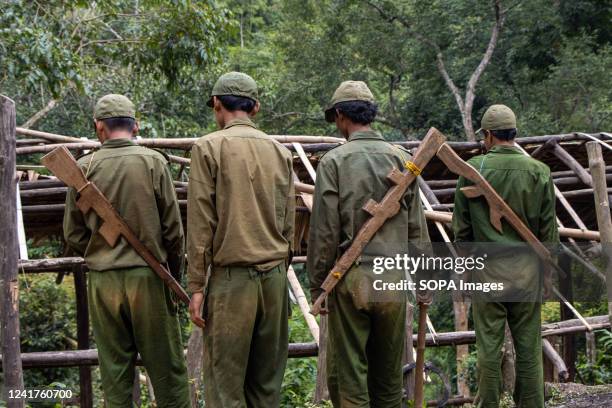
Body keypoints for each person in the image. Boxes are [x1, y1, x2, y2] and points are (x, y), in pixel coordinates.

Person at [307, 81, 430, 407]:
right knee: (389, 381)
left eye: (335, 118)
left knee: (350, 381)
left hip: (352, 279)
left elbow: (324, 233)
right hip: (392, 279)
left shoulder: (333, 162)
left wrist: (318, 287)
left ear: (341, 116)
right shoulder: (403, 159)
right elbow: (416, 229)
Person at [64, 94, 190, 407]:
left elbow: (72, 233)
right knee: (168, 373)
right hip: (148, 277)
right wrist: (175, 276)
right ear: (136, 126)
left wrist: (100, 251)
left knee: (115, 374)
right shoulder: (153, 162)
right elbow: (173, 231)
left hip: (103, 283)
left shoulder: (82, 169)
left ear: (99, 128)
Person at [187, 72, 295, 408]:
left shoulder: (208, 147)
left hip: (232, 283)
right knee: (266, 387)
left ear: (217, 105)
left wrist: (197, 286)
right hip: (275, 280)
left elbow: (201, 224)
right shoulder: (281, 152)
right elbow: (289, 223)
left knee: (225, 388)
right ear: (256, 107)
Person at [452, 104, 559, 407]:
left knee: (488, 348)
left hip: (487, 274)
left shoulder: (472, 170)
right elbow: (549, 233)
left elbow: (462, 233)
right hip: (527, 274)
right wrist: (547, 274)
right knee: (528, 348)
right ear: (514, 133)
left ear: (487, 135)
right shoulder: (540, 172)